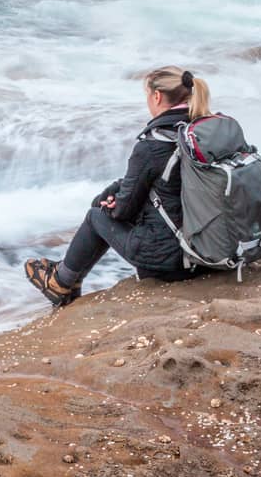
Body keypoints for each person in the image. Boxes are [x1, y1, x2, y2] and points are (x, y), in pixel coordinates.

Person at [24, 67, 212, 306]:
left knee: (96, 216)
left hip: (173, 260)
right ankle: (70, 279)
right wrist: (119, 189)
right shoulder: (202, 132)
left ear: (156, 96)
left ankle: (60, 282)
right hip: (210, 250)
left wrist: (112, 205)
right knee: (109, 207)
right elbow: (171, 183)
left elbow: (125, 211)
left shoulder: (154, 144)